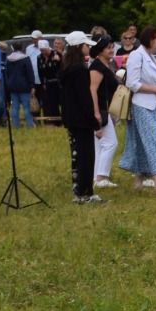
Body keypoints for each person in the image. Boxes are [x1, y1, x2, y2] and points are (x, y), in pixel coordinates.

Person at [124, 26, 156, 195]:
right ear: (150, 39)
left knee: (142, 143)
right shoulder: (136, 55)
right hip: (141, 105)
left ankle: (139, 180)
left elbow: (153, 79)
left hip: (152, 105)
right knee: (155, 141)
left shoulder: (150, 57)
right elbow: (132, 83)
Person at [58, 31, 103, 204]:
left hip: (71, 118)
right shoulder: (80, 70)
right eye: (85, 45)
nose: (88, 49)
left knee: (77, 155)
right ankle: (85, 192)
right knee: (86, 156)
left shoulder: (66, 68)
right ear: (78, 47)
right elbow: (84, 98)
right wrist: (94, 122)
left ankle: (78, 188)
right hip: (82, 120)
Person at [90, 36, 122, 190]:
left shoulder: (105, 65)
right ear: (100, 49)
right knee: (111, 143)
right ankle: (102, 176)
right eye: (108, 47)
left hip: (104, 109)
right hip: (100, 110)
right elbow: (92, 89)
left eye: (112, 47)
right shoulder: (97, 67)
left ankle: (96, 177)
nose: (111, 50)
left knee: (100, 145)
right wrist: (95, 111)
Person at [2, 42, 36, 131]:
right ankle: (29, 125)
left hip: (12, 86)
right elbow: (30, 73)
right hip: (24, 86)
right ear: (22, 48)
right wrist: (32, 85)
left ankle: (15, 125)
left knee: (14, 107)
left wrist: (8, 84)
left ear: (12, 47)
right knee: (26, 107)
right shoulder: (25, 58)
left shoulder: (8, 59)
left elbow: (7, 73)